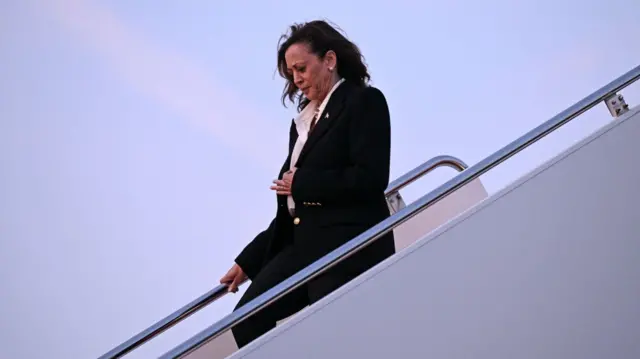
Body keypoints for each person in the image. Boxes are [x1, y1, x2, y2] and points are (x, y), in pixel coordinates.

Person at [219, 19, 395, 348]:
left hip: (346, 244)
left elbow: (370, 178)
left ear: (329, 60)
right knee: (246, 320)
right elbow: (292, 209)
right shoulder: (301, 124)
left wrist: (303, 182)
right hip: (302, 246)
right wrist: (250, 261)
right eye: (291, 73)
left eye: (301, 68)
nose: (297, 79)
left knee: (332, 336)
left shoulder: (364, 101)